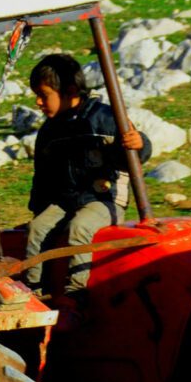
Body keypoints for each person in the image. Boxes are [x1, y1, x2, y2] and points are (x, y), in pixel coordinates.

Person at [27, 52, 147, 294]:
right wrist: (39, 207)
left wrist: (140, 143)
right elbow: (43, 174)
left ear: (70, 91)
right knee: (37, 228)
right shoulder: (50, 131)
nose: (38, 102)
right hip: (67, 200)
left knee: (80, 227)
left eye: (44, 95)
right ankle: (33, 290)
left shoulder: (105, 118)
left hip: (105, 198)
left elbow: (133, 149)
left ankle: (76, 292)